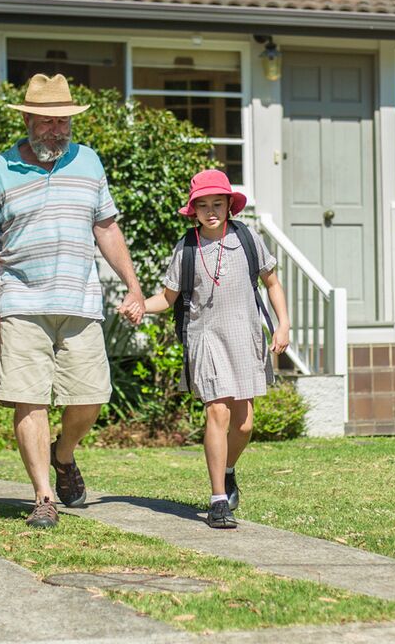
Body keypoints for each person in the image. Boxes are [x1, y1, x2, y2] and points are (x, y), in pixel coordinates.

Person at [0, 73, 145, 529]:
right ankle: (44, 496)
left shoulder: (89, 162)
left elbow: (106, 227)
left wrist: (133, 284)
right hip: (20, 300)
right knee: (29, 399)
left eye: (64, 122)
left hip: (80, 300)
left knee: (90, 396)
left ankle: (62, 455)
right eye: (48, 122)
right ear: (27, 119)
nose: (58, 131)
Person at [142, 169, 290, 529]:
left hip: (245, 335)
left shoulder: (248, 238)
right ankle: (217, 500)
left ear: (229, 206)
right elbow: (167, 297)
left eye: (217, 204)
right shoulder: (187, 247)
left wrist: (283, 324)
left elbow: (271, 283)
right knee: (217, 414)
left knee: (244, 424)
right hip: (205, 337)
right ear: (193, 210)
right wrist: (138, 305)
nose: (211, 211)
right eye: (203, 205)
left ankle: (227, 470)